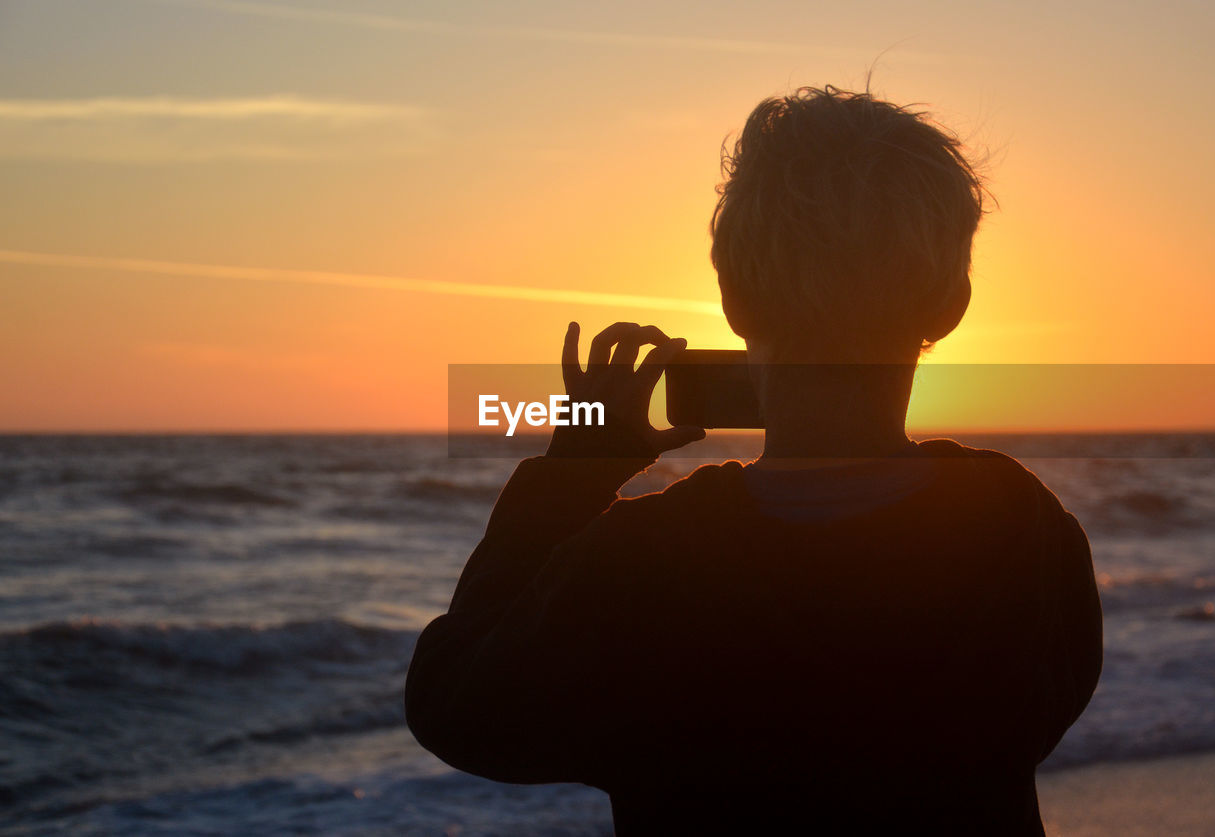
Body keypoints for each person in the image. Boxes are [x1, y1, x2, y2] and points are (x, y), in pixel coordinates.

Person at [405, 86, 1103, 835]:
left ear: (733, 300)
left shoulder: (638, 569)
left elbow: (457, 703)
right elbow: (1050, 695)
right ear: (952, 303)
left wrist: (577, 468)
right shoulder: (1018, 532)